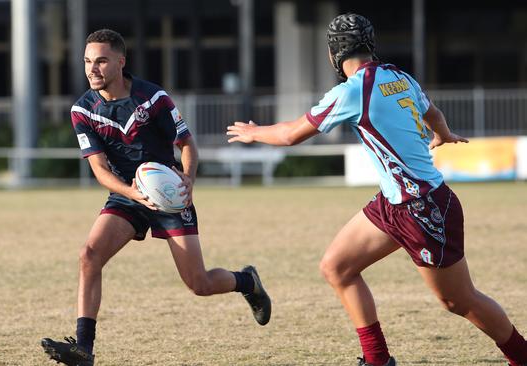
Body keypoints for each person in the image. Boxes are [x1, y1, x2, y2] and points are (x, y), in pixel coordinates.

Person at [227, 13, 527, 366]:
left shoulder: (353, 92)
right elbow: (433, 113)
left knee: (459, 301)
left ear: (334, 53)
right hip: (396, 203)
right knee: (337, 267)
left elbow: (291, 134)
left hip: (423, 209)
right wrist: (442, 134)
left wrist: (254, 132)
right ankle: (377, 360)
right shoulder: (400, 77)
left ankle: (522, 355)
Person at [40, 29, 271, 366]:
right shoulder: (83, 110)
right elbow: (100, 169)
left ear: (121, 62)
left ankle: (247, 281)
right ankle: (84, 349)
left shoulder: (153, 99)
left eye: (101, 61)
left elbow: (187, 145)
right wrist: (131, 192)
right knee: (89, 255)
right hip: (126, 195)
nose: (93, 68)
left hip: (169, 194)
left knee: (199, 284)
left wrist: (188, 180)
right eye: (88, 61)